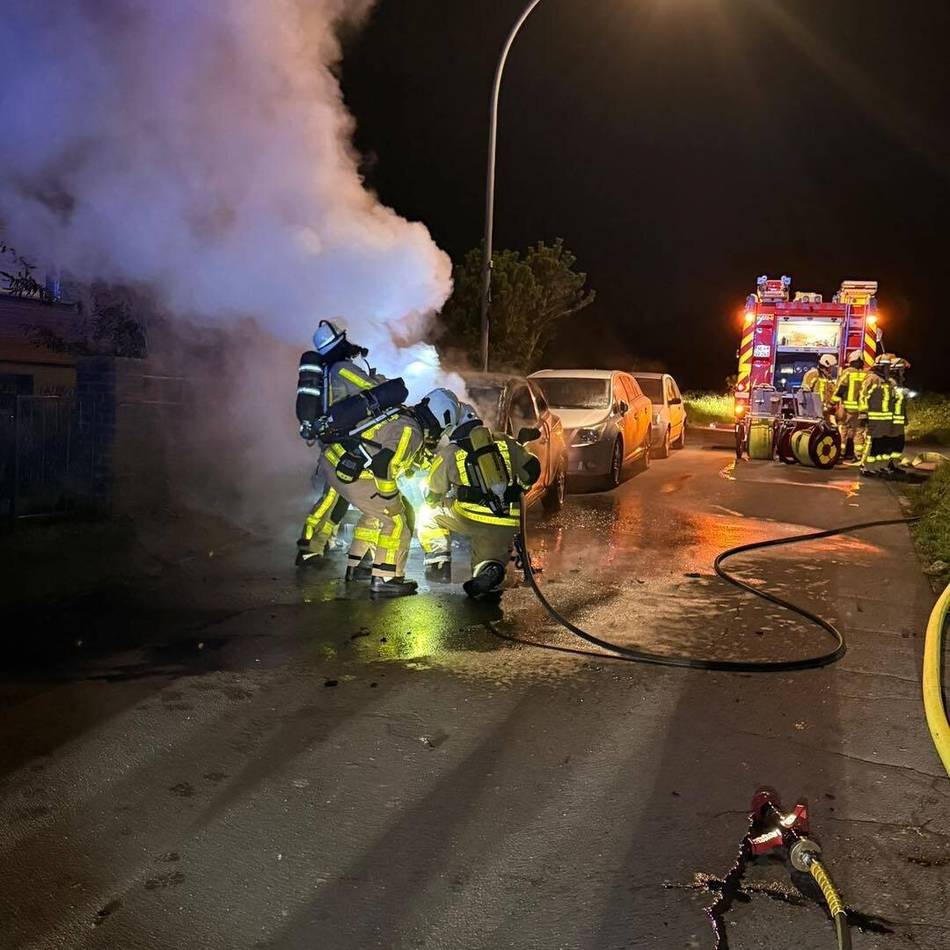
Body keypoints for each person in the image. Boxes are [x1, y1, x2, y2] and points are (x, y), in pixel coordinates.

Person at [304, 387, 462, 597]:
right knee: (397, 521)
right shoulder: (411, 431)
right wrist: (389, 499)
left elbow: (385, 450)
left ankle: (358, 566)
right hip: (353, 475)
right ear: (443, 419)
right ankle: (386, 578)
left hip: (335, 463)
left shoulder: (399, 414)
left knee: (373, 513)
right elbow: (383, 464)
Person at [418, 406, 541, 599]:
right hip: (509, 517)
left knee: (428, 514)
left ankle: (438, 566)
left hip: (470, 517)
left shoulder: (451, 452)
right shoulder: (504, 441)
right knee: (488, 560)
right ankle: (491, 569)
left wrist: (443, 495)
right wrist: (523, 487)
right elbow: (532, 469)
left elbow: (433, 493)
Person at [295, 319, 384, 566]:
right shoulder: (342, 369)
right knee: (333, 494)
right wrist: (383, 382)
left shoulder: (327, 371)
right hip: (342, 442)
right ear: (339, 342)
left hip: (335, 440)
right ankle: (309, 545)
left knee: (340, 495)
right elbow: (372, 388)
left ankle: (322, 540)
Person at [859, 354, 893, 478]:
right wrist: (864, 414)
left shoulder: (885, 381)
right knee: (871, 442)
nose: (888, 369)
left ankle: (876, 467)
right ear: (880, 367)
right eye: (886, 366)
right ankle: (866, 466)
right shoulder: (872, 378)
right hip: (873, 416)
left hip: (883, 417)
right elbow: (863, 396)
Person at [833, 350, 867, 462]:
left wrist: (832, 403)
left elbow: (840, 388)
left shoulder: (847, 372)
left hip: (847, 408)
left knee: (843, 430)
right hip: (860, 409)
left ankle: (840, 454)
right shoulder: (865, 374)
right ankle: (858, 455)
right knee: (858, 432)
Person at [887, 357, 911, 474]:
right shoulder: (891, 383)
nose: (903, 372)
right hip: (892, 420)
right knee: (893, 443)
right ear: (896, 370)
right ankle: (889, 466)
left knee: (898, 444)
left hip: (898, 420)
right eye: (902, 370)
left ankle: (893, 465)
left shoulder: (898, 383)